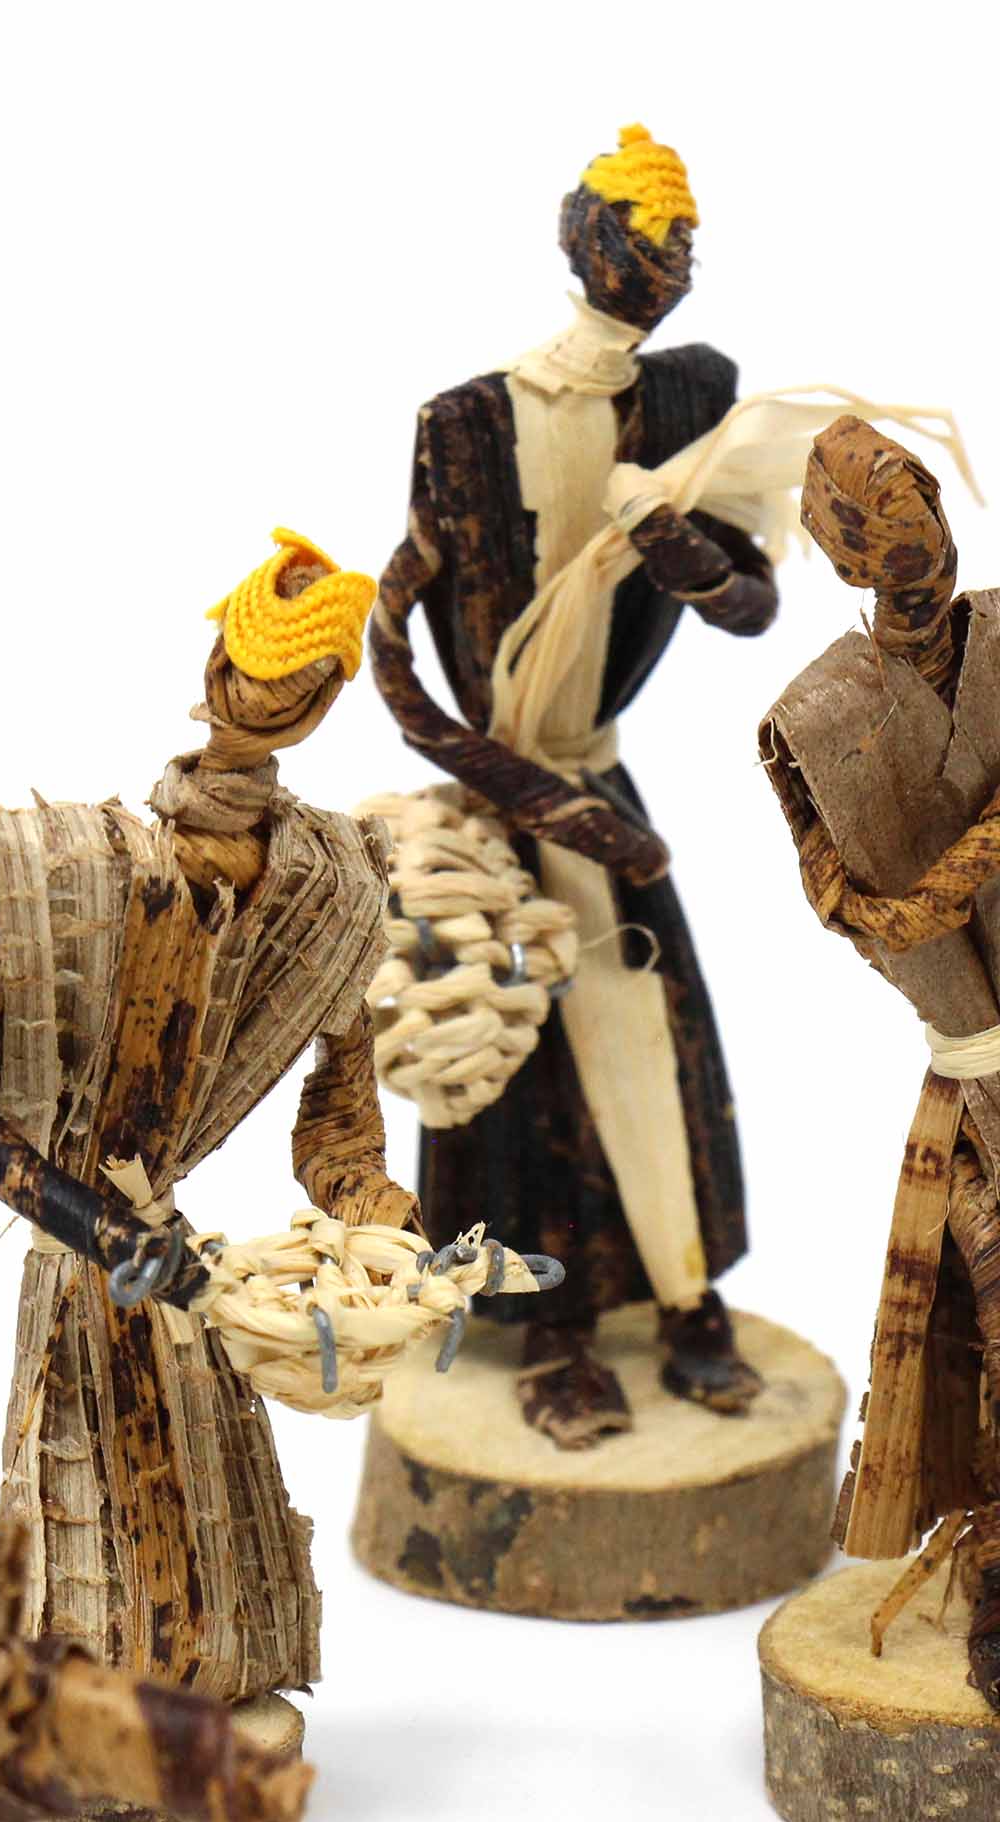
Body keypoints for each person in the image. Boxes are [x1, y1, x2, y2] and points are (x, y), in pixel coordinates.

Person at [0, 529, 415, 1700]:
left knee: (199, 1547)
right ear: (215, 659)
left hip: (179, 1272)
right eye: (248, 661)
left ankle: (170, 1698)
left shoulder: (332, 887)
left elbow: (338, 1126)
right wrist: (76, 1216)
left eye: (293, 677)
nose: (258, 693)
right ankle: (76, 1695)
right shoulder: (67, 869)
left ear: (325, 699)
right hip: (102, 1253)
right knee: (82, 1537)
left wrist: (382, 1217)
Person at [370, 125, 778, 1447]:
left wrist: (679, 550)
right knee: (521, 1070)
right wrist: (538, 801)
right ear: (584, 240)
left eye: (683, 242)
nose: (668, 265)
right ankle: (552, 1328)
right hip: (514, 807)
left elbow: (752, 602)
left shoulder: (687, 401)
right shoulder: (466, 424)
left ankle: (682, 1292)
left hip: (600, 781)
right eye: (647, 238)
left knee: (651, 1035)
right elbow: (395, 658)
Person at [764, 419, 1000, 1710]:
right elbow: (833, 883)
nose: (907, 533)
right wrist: (886, 909)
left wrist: (940, 881)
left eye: (917, 501)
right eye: (872, 521)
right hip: (972, 1062)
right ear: (837, 553)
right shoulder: (818, 712)